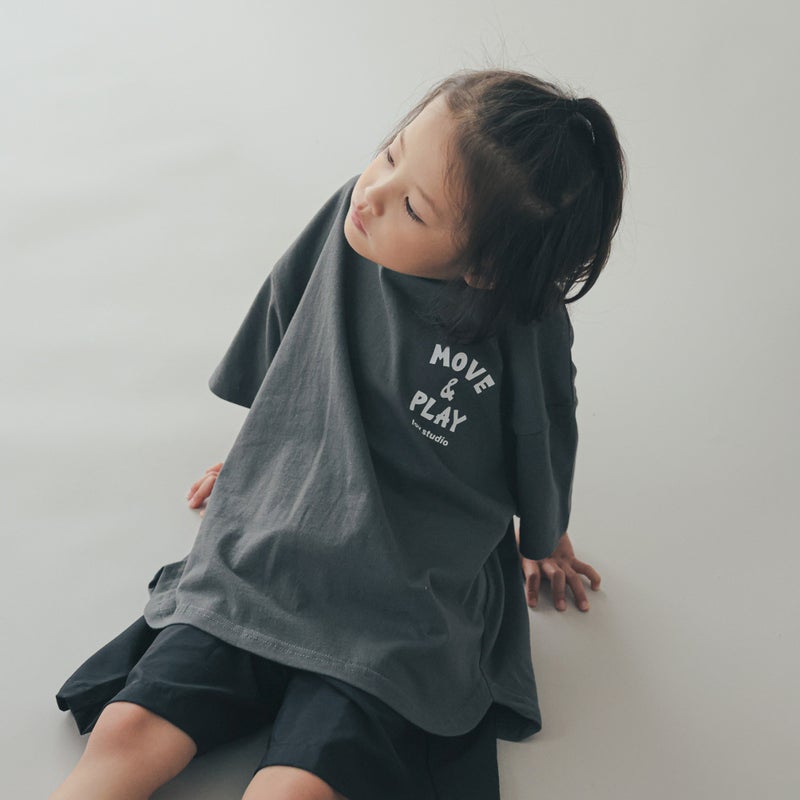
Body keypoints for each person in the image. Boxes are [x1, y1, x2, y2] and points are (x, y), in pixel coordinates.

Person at [51, 67, 627, 800]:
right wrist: (261, 453)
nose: (372, 193)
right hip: (276, 549)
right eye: (390, 152)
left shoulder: (524, 324)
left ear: (485, 268)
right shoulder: (351, 218)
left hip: (404, 597)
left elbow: (542, 430)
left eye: (413, 207)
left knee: (298, 787)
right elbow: (285, 313)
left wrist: (544, 537)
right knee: (130, 729)